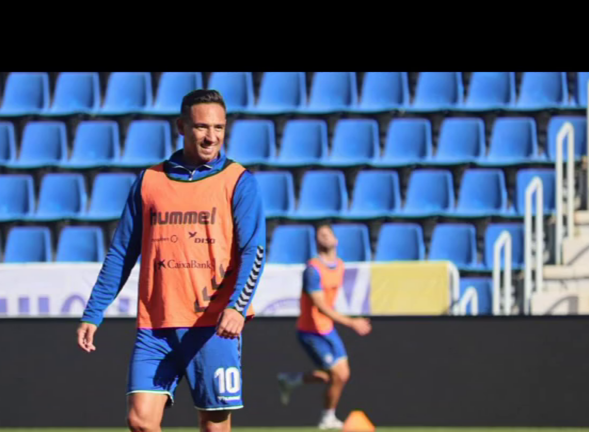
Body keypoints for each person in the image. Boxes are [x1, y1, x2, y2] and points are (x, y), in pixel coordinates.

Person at [76, 89, 266, 432]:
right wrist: (94, 311)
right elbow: (122, 252)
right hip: (156, 326)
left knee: (213, 427)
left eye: (219, 128)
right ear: (181, 126)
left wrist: (238, 306)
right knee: (140, 421)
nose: (212, 137)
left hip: (213, 328)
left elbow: (255, 251)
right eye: (202, 127)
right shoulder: (150, 181)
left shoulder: (238, 181)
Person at [276, 224, 372, 430]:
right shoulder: (312, 270)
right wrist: (351, 322)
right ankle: (327, 417)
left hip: (327, 329)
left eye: (327, 234)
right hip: (311, 331)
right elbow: (320, 306)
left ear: (336, 240)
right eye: (320, 235)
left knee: (338, 375)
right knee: (338, 375)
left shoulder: (339, 265)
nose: (324, 237)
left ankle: (292, 380)